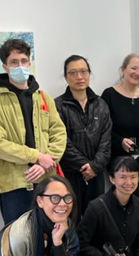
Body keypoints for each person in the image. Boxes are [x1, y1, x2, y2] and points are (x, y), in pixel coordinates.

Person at [0, 38, 67, 225]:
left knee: (52, 236)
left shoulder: (44, 98)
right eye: (14, 62)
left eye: (23, 61)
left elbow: (59, 134)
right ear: (5, 66)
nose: (20, 66)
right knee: (18, 240)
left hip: (46, 179)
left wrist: (45, 163)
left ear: (29, 63)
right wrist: (37, 156)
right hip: (15, 183)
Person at [55, 55, 111, 219]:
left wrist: (95, 166)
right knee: (70, 218)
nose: (79, 77)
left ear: (89, 74)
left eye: (83, 71)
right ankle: (73, 246)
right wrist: (84, 165)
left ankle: (93, 246)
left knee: (96, 218)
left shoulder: (101, 104)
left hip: (96, 173)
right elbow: (61, 141)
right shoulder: (58, 106)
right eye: (73, 72)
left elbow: (106, 141)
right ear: (66, 77)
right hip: (70, 174)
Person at [101, 54, 139, 201]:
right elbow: (103, 129)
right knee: (119, 200)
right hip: (117, 159)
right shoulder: (109, 94)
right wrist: (120, 141)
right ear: (123, 69)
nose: (137, 73)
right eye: (133, 68)